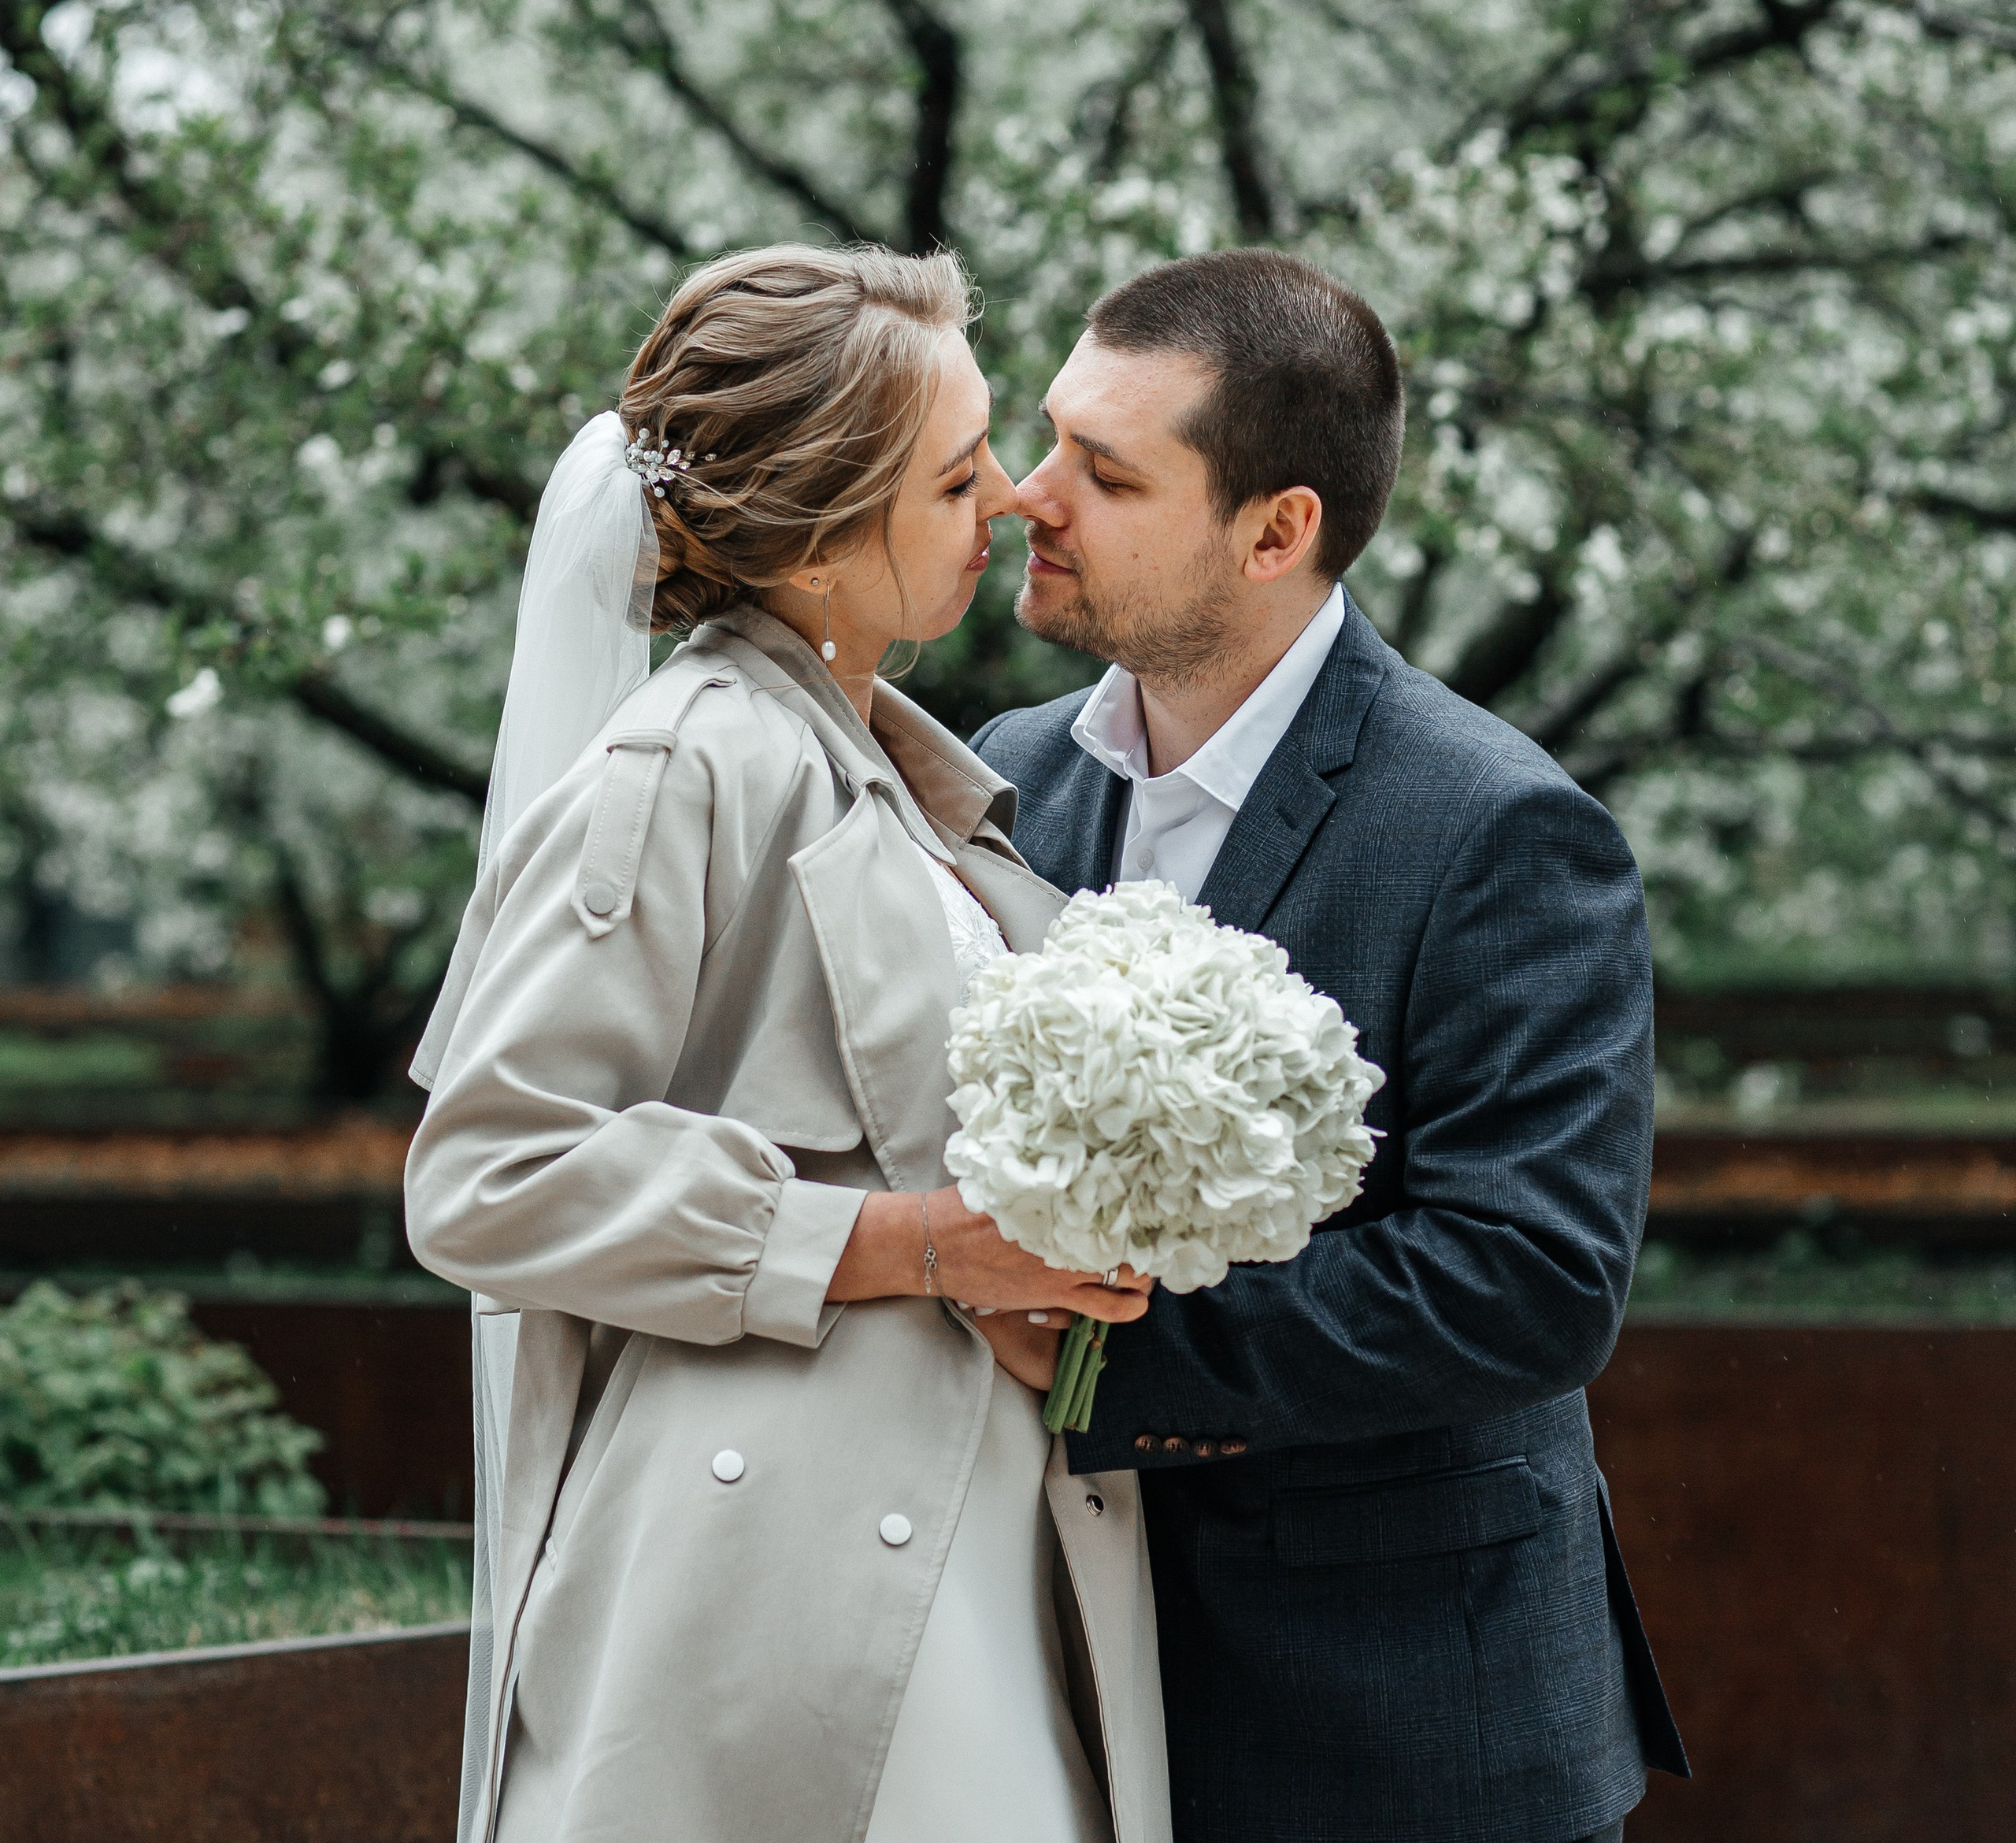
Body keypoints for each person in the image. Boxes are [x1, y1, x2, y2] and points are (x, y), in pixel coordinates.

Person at [403, 243, 1168, 1843]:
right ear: (819, 537)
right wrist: (910, 1244)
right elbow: (487, 1173)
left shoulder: (883, 764)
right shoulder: (687, 762)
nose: (1009, 499)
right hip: (767, 1576)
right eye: (955, 476)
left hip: (964, 1546)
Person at [973, 248, 1689, 1843]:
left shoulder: (1498, 828)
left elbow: (1530, 1275)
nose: (1030, 495)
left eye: (1106, 472)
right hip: (1052, 1702)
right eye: (1050, 439)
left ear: (1274, 530)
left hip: (1395, 1724)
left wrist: (1106, 1356)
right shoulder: (1003, 777)